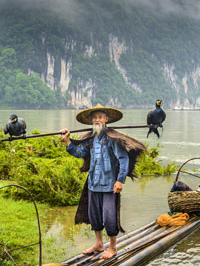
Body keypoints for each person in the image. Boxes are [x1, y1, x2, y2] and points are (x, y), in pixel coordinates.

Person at [60, 104, 146, 260]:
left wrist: (120, 181)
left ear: (106, 119)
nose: (97, 120)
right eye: (94, 117)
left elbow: (124, 159)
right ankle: (99, 244)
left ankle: (113, 248)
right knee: (95, 216)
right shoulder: (91, 139)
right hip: (93, 183)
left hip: (109, 185)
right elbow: (80, 152)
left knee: (109, 216)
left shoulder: (111, 138)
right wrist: (67, 142)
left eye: (100, 117)